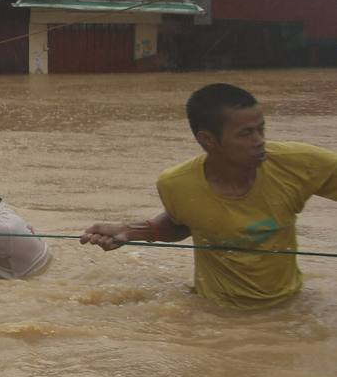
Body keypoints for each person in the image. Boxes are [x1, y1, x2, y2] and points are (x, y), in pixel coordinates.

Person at [81, 83, 337, 309]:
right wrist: (130, 231)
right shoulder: (176, 184)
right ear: (208, 140)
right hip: (214, 312)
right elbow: (182, 224)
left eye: (261, 129)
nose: (259, 141)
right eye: (246, 134)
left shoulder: (299, 163)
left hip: (289, 307)